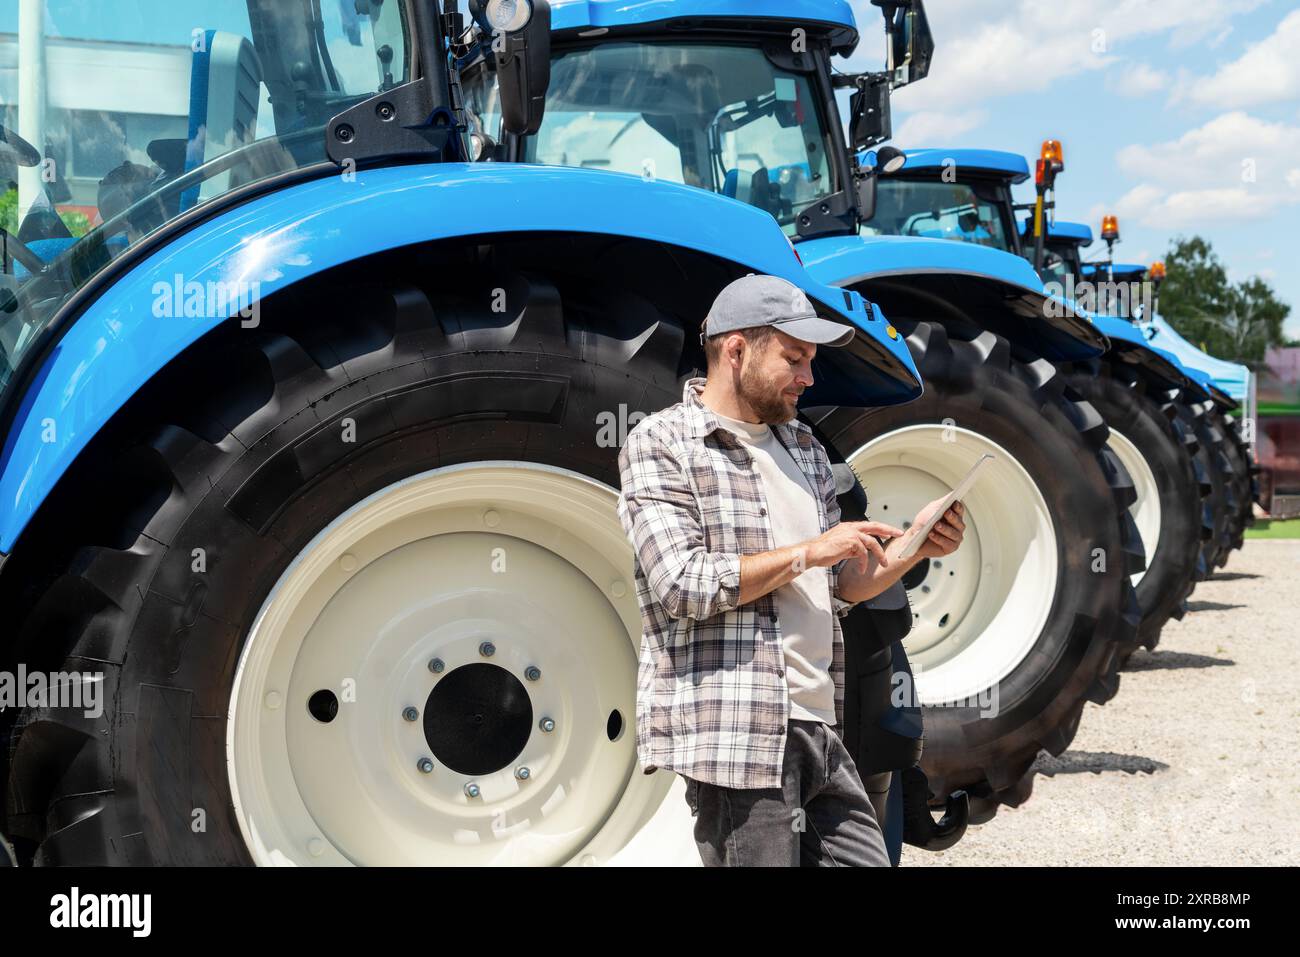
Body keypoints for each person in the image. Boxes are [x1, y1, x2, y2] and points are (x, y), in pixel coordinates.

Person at [615, 274, 966, 867]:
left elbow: (837, 589)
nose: (808, 376)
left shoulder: (803, 446)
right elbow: (682, 584)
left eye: (810, 360)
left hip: (817, 725)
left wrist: (914, 548)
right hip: (738, 736)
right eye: (794, 358)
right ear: (736, 349)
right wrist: (811, 550)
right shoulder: (662, 443)